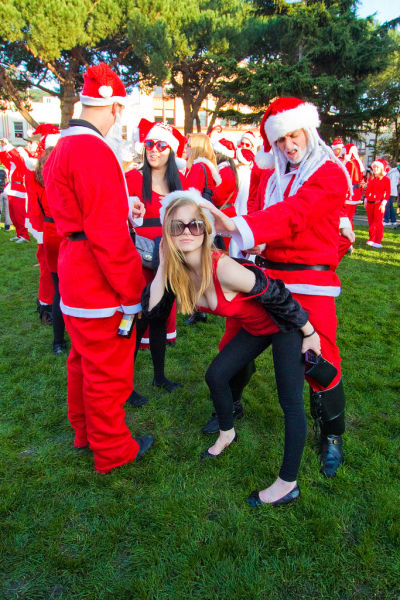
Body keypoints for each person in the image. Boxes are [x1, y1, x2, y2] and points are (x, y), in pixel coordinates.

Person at [201, 97, 355, 478]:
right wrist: (251, 239)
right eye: (280, 139)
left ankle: (331, 435)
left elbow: (297, 214)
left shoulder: (329, 173)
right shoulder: (273, 176)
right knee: (232, 339)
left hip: (309, 285)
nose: (288, 144)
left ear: (308, 131)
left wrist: (240, 228)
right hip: (266, 279)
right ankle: (229, 404)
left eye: (294, 134)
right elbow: (264, 217)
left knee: (319, 361)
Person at [143, 188, 321, 506]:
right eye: (176, 226)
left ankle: (288, 483)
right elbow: (154, 314)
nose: (186, 231)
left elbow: (277, 294)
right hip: (256, 327)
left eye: (194, 224)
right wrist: (162, 262)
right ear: (166, 232)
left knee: (290, 403)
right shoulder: (178, 271)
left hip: (284, 325)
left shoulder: (222, 267)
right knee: (216, 375)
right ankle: (228, 432)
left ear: (205, 229)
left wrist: (309, 332)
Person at [43, 62, 153, 473]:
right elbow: (107, 235)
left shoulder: (63, 147)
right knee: (107, 369)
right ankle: (112, 449)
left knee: (82, 360)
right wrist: (130, 292)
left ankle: (84, 431)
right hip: (95, 275)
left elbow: (77, 210)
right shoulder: (92, 149)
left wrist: (122, 207)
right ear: (114, 108)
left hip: (74, 270)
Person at [125, 118, 187, 405]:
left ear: (171, 151)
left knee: (160, 316)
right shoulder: (133, 178)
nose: (154, 150)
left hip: (168, 260)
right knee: (136, 321)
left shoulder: (180, 184)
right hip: (137, 261)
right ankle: (125, 384)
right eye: (150, 144)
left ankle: (159, 376)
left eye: (161, 145)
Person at [185, 133, 222, 324]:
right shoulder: (208, 167)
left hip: (195, 218)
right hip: (204, 218)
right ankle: (203, 306)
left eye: (189, 145)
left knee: (193, 265)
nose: (186, 148)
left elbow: (190, 196)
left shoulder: (198, 167)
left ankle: (198, 308)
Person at [0, 139, 30, 242]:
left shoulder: (23, 163)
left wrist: (9, 145)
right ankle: (19, 234)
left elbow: (17, 157)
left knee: (19, 215)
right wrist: (4, 147)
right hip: (11, 189)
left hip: (19, 190)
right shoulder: (13, 165)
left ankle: (25, 235)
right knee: (13, 215)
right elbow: (4, 158)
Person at [364, 159, 391, 248]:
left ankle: (378, 240)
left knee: (378, 222)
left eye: (377, 167)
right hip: (370, 203)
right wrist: (366, 199)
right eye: (374, 167)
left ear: (381, 168)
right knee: (371, 222)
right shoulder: (371, 178)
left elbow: (388, 192)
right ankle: (371, 238)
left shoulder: (386, 179)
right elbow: (368, 190)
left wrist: (384, 203)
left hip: (379, 203)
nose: (375, 169)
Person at [384, 162, 399, 227]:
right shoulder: (394, 172)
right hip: (392, 192)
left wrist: (387, 191)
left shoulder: (393, 173)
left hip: (390, 192)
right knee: (390, 206)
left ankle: (386, 220)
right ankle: (393, 220)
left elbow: (391, 184)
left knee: (387, 206)